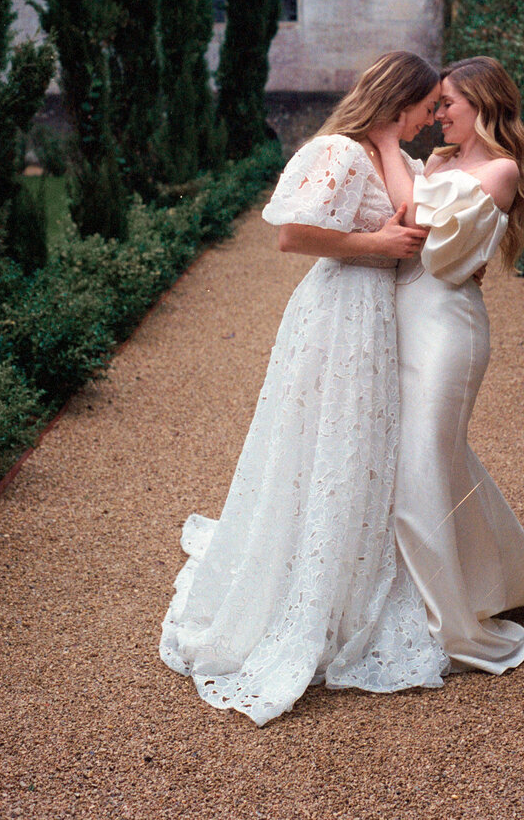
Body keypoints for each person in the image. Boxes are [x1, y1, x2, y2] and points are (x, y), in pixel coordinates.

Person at [160, 51, 449, 726]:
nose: (433, 118)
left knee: (362, 445)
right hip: (336, 314)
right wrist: (376, 244)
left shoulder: (388, 153)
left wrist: (390, 143)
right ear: (398, 97)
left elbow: (410, 223)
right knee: (323, 443)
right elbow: (294, 235)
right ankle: (305, 596)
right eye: (426, 106)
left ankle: (351, 580)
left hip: (375, 319)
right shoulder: (339, 152)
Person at [369, 55, 524, 674]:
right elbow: (407, 222)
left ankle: (450, 622)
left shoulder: (502, 170)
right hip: (407, 316)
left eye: (447, 104)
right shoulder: (438, 164)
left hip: (451, 329)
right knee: (432, 459)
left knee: (426, 457)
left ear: (481, 103)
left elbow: (423, 225)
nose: (437, 117)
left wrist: (381, 140)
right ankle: (494, 577)